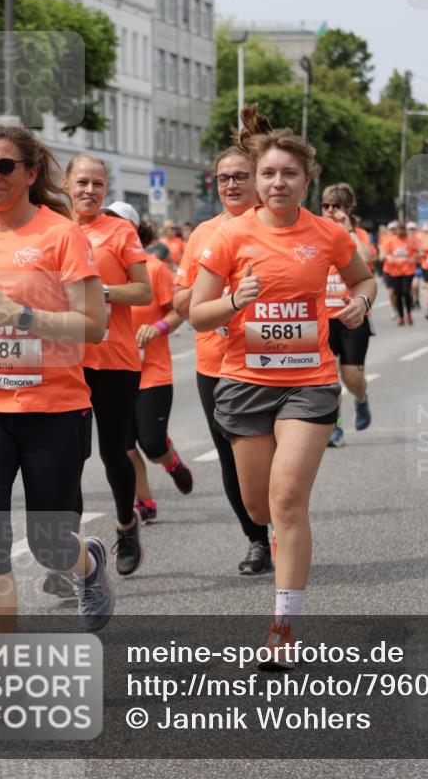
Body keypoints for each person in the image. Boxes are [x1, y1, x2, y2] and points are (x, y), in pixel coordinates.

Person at [190, 108, 376, 655]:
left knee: (289, 500)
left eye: (288, 174)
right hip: (244, 381)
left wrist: (360, 304)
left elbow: (363, 279)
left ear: (306, 179)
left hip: (309, 383)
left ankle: (284, 625)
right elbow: (198, 314)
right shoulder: (229, 237)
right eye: (268, 173)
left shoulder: (326, 234)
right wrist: (232, 302)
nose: (277, 183)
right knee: (258, 508)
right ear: (255, 178)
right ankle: (272, 543)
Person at [0, 125, 114, 632]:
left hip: (53, 410)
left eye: (4, 166)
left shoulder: (62, 235)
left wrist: (25, 317)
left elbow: (94, 325)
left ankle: (88, 563)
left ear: (31, 173)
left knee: (50, 545)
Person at [173, 137, 273, 575]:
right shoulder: (202, 234)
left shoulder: (280, 228)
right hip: (216, 364)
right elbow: (180, 304)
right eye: (223, 178)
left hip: (276, 362)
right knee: (233, 458)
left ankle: (284, 526)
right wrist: (220, 296)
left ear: (257, 179)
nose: (231, 185)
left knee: (276, 459)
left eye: (240, 177)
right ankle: (257, 540)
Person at [63, 156, 152, 576]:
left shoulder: (119, 231)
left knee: (113, 452)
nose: (90, 190)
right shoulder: (51, 229)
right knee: (66, 459)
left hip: (114, 359)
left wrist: (101, 291)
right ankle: (72, 552)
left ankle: (125, 524)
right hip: (64, 362)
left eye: (98, 184)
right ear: (66, 184)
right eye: (82, 182)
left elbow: (143, 291)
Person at [114, 209, 191, 524]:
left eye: (122, 226)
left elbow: (178, 312)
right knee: (125, 445)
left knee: (152, 443)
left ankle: (170, 462)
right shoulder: (96, 272)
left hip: (153, 371)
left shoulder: (155, 269)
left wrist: (157, 328)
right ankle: (144, 500)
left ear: (135, 232)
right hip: (115, 371)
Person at [320, 184, 374, 446]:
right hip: (322, 319)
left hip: (352, 316)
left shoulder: (358, 234)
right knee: (328, 380)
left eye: (337, 206)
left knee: (351, 377)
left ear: (348, 209)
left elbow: (367, 259)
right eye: (326, 206)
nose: (330, 211)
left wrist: (348, 231)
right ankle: (336, 428)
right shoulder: (315, 232)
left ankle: (361, 398)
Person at [380, 221, 419, 326]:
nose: (400, 232)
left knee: (406, 292)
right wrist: (389, 257)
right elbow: (383, 255)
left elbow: (418, 252)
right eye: (399, 229)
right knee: (398, 295)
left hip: (407, 271)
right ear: (396, 231)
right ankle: (401, 317)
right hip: (395, 272)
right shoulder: (391, 241)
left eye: (402, 229)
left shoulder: (410, 241)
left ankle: (409, 314)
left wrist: (413, 258)